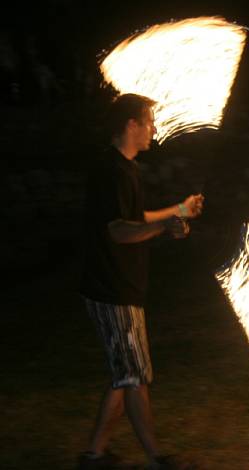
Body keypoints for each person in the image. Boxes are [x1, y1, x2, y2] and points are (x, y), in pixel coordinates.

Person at [80, 93, 203, 470]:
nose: (153, 128)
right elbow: (119, 230)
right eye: (148, 121)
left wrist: (177, 212)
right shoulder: (114, 171)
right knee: (134, 374)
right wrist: (164, 226)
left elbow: (135, 217)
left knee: (125, 372)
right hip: (113, 290)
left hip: (119, 287)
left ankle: (94, 455)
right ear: (131, 125)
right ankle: (156, 458)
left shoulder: (124, 169)